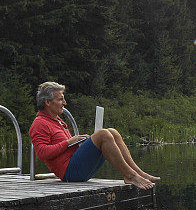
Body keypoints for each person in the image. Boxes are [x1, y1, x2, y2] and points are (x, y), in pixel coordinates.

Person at [29, 81, 159, 189]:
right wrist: (69, 142)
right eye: (60, 99)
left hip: (75, 167)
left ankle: (138, 173)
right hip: (70, 173)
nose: (65, 103)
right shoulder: (40, 123)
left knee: (112, 132)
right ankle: (131, 176)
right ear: (47, 102)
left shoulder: (58, 121)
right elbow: (42, 153)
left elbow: (65, 150)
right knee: (102, 134)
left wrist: (79, 143)